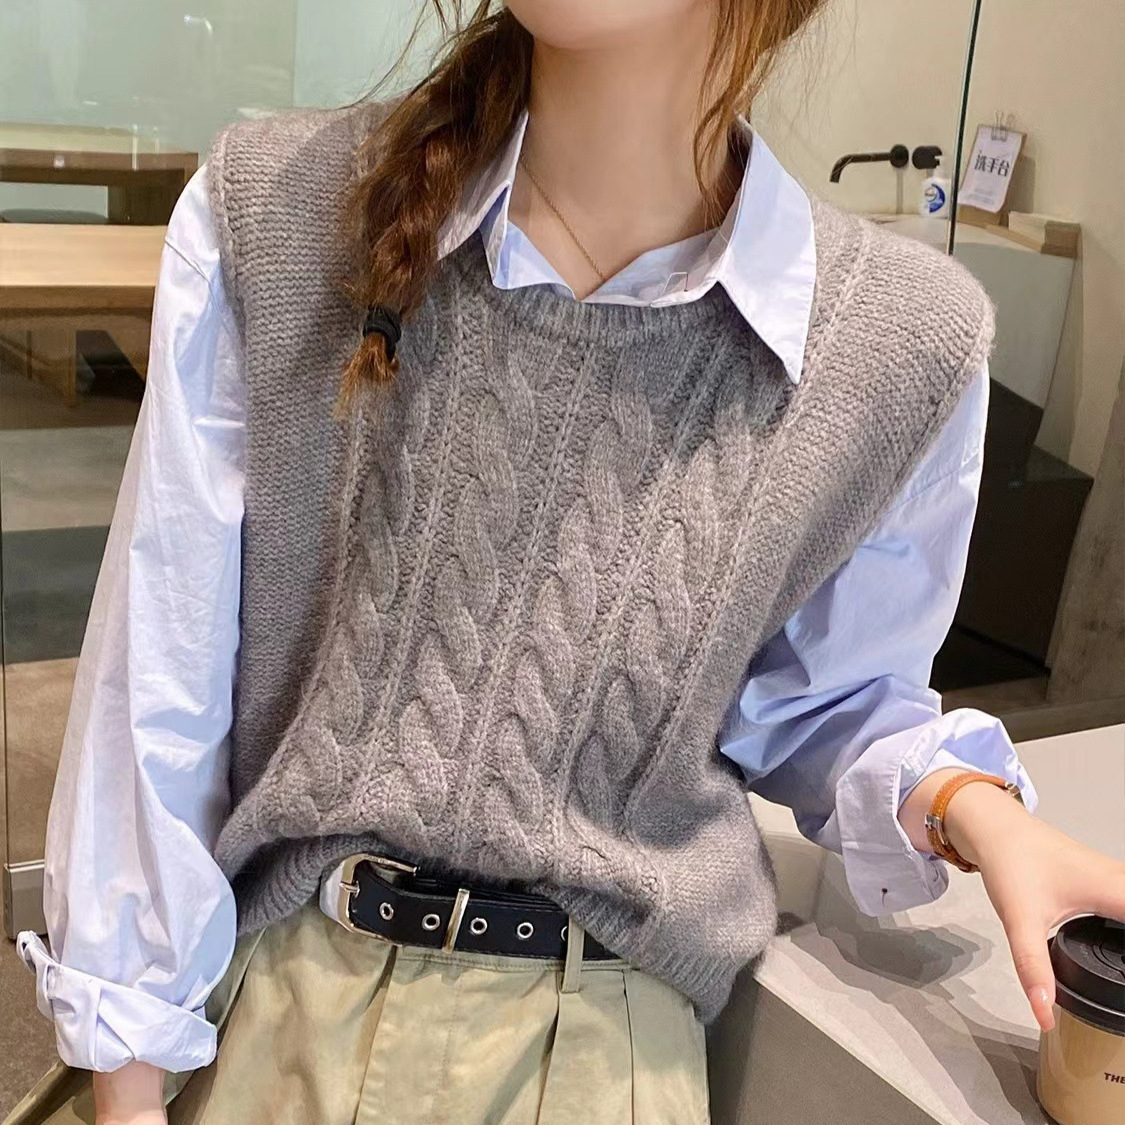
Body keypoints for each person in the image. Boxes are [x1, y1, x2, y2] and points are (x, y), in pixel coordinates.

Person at [9, 2, 1125, 1124]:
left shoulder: (898, 341)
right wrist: (128, 1088)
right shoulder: (286, 208)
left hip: (608, 1056)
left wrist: (981, 811)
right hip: (282, 1006)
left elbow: (822, 702)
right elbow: (160, 690)